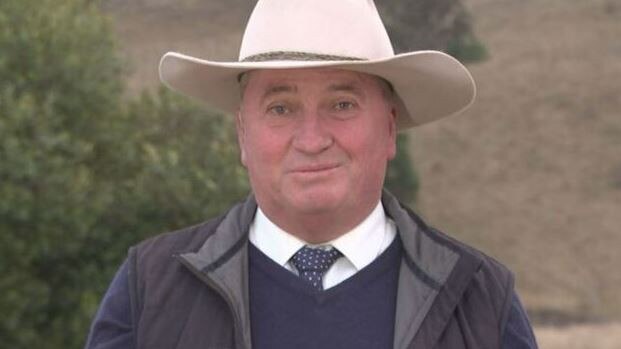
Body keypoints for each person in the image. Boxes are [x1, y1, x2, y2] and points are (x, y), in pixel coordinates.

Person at [85, 1, 538, 348]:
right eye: (280, 108)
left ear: (389, 127)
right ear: (243, 134)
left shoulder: (482, 301)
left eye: (342, 105)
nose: (312, 138)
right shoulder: (149, 291)